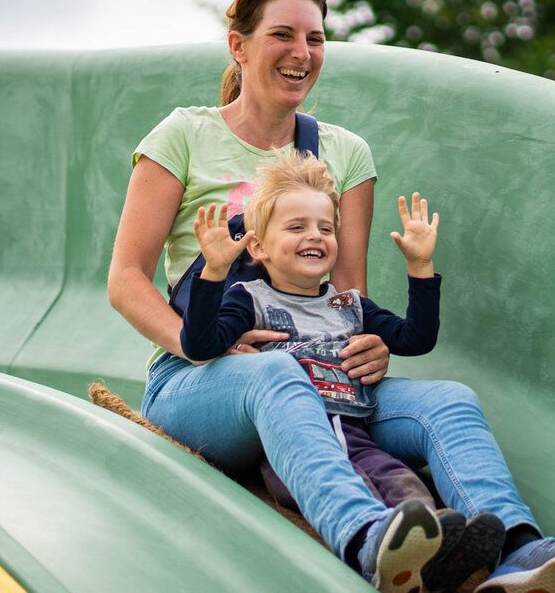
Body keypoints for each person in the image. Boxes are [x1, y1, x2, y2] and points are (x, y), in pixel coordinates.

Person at [107, 0, 555, 591]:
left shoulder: (344, 153)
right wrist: (209, 346)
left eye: (315, 38)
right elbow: (125, 281)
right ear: (238, 47)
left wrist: (372, 347)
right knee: (278, 375)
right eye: (282, 35)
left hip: (325, 374)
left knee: (449, 400)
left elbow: (347, 297)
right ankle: (366, 536)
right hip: (198, 378)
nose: (302, 51)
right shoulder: (183, 137)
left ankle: (517, 553)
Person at [180, 152, 505, 591]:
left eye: (325, 228)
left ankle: (438, 556)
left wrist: (420, 267)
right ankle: (383, 549)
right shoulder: (249, 299)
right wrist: (213, 274)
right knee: (371, 490)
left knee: (407, 488)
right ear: (257, 247)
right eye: (296, 227)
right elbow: (200, 344)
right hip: (302, 447)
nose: (314, 235)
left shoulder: (347, 304)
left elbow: (415, 338)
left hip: (358, 435)